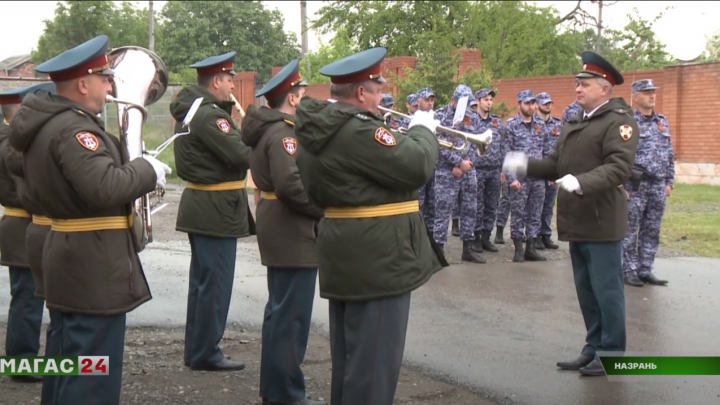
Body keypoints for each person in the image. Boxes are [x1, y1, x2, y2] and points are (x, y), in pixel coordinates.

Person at [7, 35, 170, 403]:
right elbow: (103, 186)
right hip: (91, 265)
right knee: (92, 372)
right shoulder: (74, 130)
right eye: (104, 78)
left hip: (72, 256)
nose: (110, 85)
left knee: (68, 361)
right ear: (83, 84)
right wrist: (146, 170)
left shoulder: (54, 124)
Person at [293, 47, 449, 405]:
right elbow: (416, 167)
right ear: (361, 93)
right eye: (377, 89)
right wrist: (423, 130)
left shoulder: (319, 130)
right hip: (379, 258)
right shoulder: (359, 131)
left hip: (349, 252)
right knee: (375, 366)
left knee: (352, 362)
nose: (381, 98)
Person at [502, 51, 639, 376]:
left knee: (607, 289)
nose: (578, 88)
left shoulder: (619, 121)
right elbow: (556, 164)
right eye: (577, 83)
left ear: (604, 88)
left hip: (601, 218)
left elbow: (619, 168)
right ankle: (593, 347)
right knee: (586, 289)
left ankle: (611, 354)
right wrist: (525, 164)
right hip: (577, 218)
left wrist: (581, 182)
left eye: (585, 84)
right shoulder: (576, 120)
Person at [239, 59, 326, 405]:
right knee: (291, 318)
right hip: (292, 230)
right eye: (302, 94)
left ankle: (275, 390)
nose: (304, 100)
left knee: (280, 313)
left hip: (281, 225)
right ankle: (287, 394)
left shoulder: (272, 129)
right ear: (291, 98)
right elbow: (292, 185)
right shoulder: (283, 134)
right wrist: (326, 209)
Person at [170, 51, 252, 371]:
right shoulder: (208, 115)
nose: (233, 85)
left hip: (206, 207)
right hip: (214, 210)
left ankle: (198, 349)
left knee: (204, 285)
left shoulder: (201, 110)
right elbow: (240, 154)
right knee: (214, 286)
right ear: (216, 81)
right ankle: (206, 352)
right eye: (230, 79)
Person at [0, 83, 53, 385]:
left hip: (23, 225)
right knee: (27, 297)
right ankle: (20, 361)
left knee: (28, 295)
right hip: (22, 224)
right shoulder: (11, 142)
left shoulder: (11, 138)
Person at [622, 79, 672, 287]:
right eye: (646, 92)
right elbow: (620, 155)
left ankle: (645, 268)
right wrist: (622, 185)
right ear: (635, 96)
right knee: (630, 229)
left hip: (658, 185)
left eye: (653, 92)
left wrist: (670, 180)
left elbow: (669, 152)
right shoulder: (628, 123)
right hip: (636, 184)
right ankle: (629, 269)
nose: (651, 96)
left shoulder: (662, 121)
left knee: (652, 229)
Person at [433, 85, 485, 263]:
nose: (466, 108)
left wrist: (466, 165)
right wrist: (457, 162)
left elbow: (479, 144)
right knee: (442, 212)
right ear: (453, 100)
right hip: (446, 171)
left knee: (470, 209)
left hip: (468, 171)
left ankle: (467, 249)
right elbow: (438, 144)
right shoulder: (439, 116)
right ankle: (438, 251)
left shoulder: (473, 118)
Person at [503, 90, 547, 262]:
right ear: (519, 104)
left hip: (537, 176)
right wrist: (511, 178)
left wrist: (548, 173)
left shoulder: (540, 125)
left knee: (535, 213)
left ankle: (531, 247)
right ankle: (518, 248)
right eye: (527, 103)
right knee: (518, 213)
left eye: (533, 103)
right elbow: (506, 152)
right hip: (519, 177)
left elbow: (546, 150)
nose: (531, 106)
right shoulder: (511, 125)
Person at [471, 88, 503, 253]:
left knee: (492, 205)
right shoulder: (471, 120)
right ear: (478, 101)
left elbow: (501, 146)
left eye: (490, 100)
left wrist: (503, 169)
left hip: (494, 169)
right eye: (486, 100)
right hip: (478, 169)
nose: (489, 103)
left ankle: (486, 237)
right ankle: (475, 237)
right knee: (478, 205)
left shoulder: (497, 121)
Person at [534, 92, 562, 250]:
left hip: (552, 170)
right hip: (537, 169)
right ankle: (534, 235)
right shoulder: (533, 123)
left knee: (549, 204)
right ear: (537, 105)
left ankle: (546, 234)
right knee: (536, 205)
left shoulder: (557, 124)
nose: (548, 105)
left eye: (549, 103)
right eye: (544, 103)